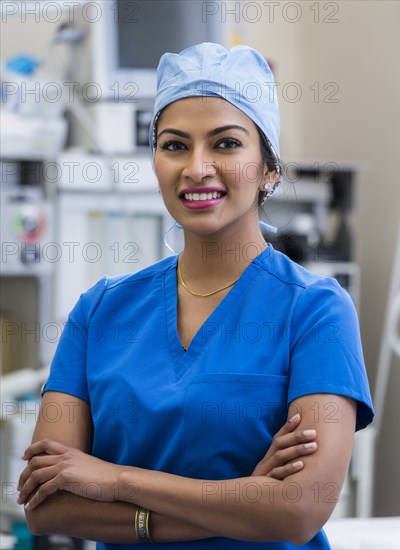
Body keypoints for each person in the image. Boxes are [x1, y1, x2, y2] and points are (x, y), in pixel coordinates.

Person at [18, 43, 374, 549]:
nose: (197, 168)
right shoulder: (100, 311)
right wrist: (244, 499)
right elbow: (46, 506)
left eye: (226, 144)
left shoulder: (315, 310)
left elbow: (299, 506)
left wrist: (114, 480)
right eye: (174, 145)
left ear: (269, 167)